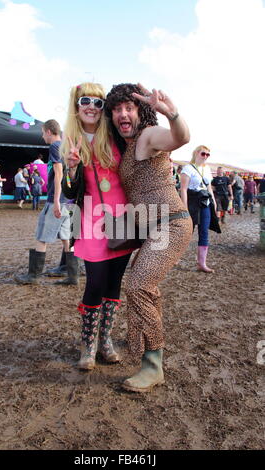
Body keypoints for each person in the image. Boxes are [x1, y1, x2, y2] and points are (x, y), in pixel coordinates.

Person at [105, 83, 192, 393]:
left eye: (129, 107)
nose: (122, 114)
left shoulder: (148, 135)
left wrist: (172, 113)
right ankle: (141, 344)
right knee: (145, 287)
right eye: (116, 109)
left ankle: (153, 366)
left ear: (140, 110)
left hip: (171, 224)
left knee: (140, 283)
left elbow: (181, 138)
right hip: (149, 229)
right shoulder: (127, 146)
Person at [61, 82, 136, 371]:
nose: (92, 106)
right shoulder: (70, 141)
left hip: (121, 219)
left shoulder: (116, 136)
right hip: (91, 222)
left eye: (97, 102)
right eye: (85, 101)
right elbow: (69, 193)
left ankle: (106, 341)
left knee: (114, 283)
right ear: (77, 106)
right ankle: (88, 344)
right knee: (94, 282)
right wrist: (71, 168)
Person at [14, 119, 72, 285]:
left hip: (57, 198)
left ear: (48, 131)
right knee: (66, 237)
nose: (42, 136)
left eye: (42, 132)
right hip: (67, 199)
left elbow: (59, 173)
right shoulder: (66, 147)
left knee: (41, 236)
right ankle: (71, 273)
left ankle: (33, 276)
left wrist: (55, 200)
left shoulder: (55, 146)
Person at [180, 145, 218, 274]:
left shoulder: (207, 169)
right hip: (192, 202)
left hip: (205, 202)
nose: (205, 156)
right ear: (196, 153)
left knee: (204, 232)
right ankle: (173, 257)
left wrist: (213, 201)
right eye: (203, 154)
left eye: (208, 154)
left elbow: (208, 187)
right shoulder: (188, 168)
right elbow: (183, 189)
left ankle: (202, 263)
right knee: (186, 231)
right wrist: (184, 207)